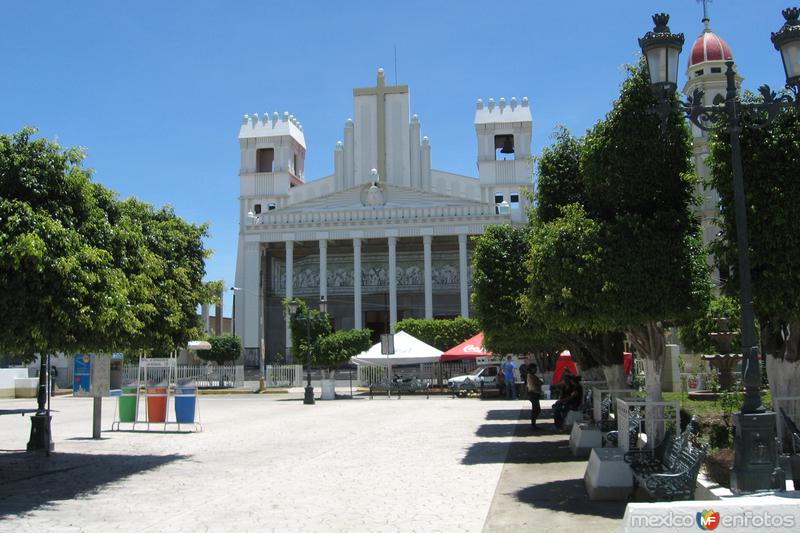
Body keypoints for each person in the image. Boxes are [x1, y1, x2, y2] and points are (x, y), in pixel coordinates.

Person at [526, 364, 543, 429]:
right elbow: (539, 382)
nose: (536, 370)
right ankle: (533, 424)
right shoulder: (531, 376)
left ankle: (533, 424)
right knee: (536, 409)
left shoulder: (530, 375)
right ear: (531, 369)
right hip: (533, 393)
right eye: (535, 368)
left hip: (534, 393)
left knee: (536, 409)